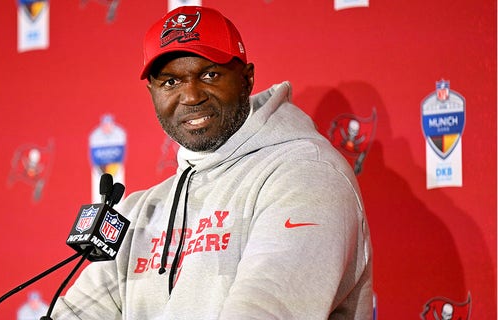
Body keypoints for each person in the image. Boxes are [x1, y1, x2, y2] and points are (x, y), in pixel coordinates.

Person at [52, 5, 373, 319]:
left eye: (209, 74)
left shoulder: (307, 177)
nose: (191, 96)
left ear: (247, 79)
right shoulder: (142, 209)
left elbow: (264, 311)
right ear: (151, 92)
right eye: (170, 82)